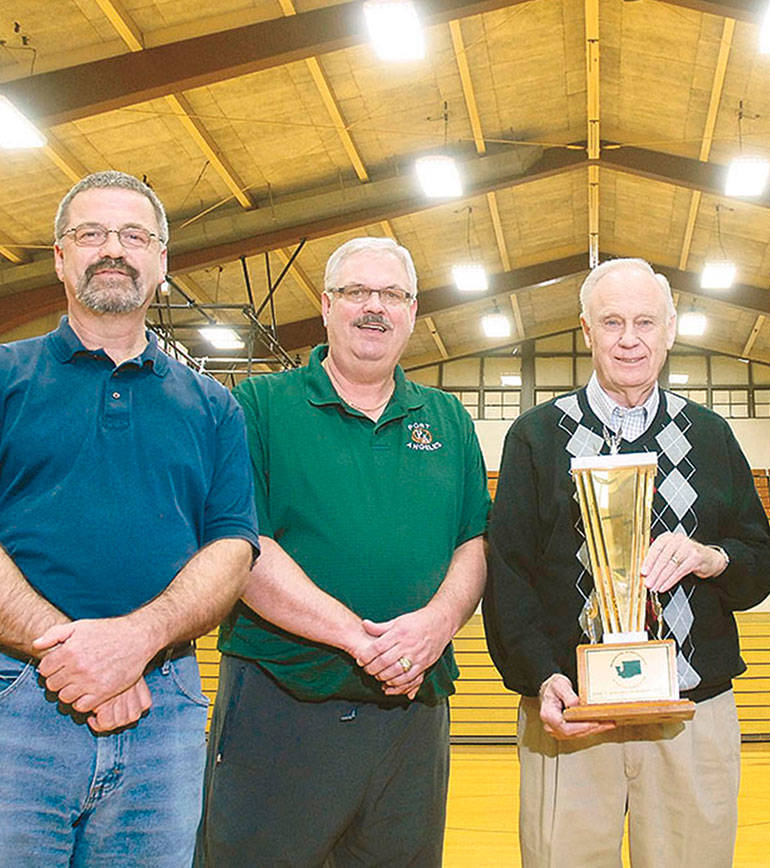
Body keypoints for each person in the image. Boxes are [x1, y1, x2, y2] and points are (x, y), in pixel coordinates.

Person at [197, 237, 491, 866]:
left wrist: (437, 624)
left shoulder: (447, 418)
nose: (374, 307)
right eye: (357, 291)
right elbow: (243, 545)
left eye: (392, 294)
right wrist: (363, 641)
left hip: (413, 713)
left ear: (412, 312)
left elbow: (473, 541)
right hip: (282, 704)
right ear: (327, 306)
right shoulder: (259, 406)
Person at [0, 170, 258, 865]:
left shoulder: (215, 407)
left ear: (161, 262)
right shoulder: (5, 377)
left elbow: (232, 547)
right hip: (15, 696)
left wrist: (136, 642)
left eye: (134, 236)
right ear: (60, 258)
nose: (113, 249)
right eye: (91, 233)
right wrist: (75, 656)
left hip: (165, 709)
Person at [483, 257, 770, 867]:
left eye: (645, 322)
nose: (629, 339)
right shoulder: (536, 437)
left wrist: (711, 557)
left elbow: (757, 564)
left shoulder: (711, 435)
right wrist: (541, 678)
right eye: (612, 322)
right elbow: (507, 577)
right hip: (570, 713)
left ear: (670, 329)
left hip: (690, 713)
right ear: (587, 331)